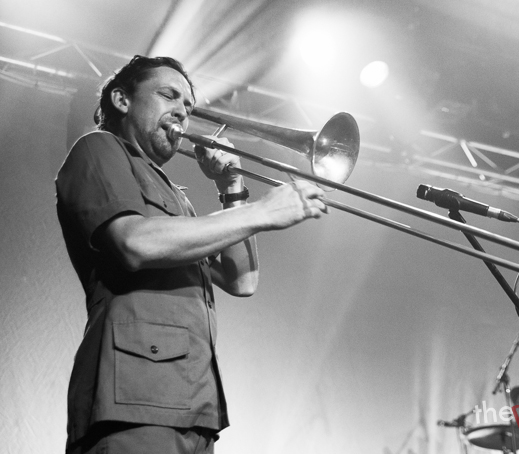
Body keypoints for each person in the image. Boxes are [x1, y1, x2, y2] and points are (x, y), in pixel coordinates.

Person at [56, 55, 329, 454]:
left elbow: (242, 280)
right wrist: (262, 212)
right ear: (121, 99)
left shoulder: (177, 197)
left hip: (194, 404)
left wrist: (232, 186)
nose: (182, 112)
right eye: (169, 96)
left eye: (187, 105)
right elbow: (135, 242)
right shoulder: (98, 147)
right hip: (134, 396)